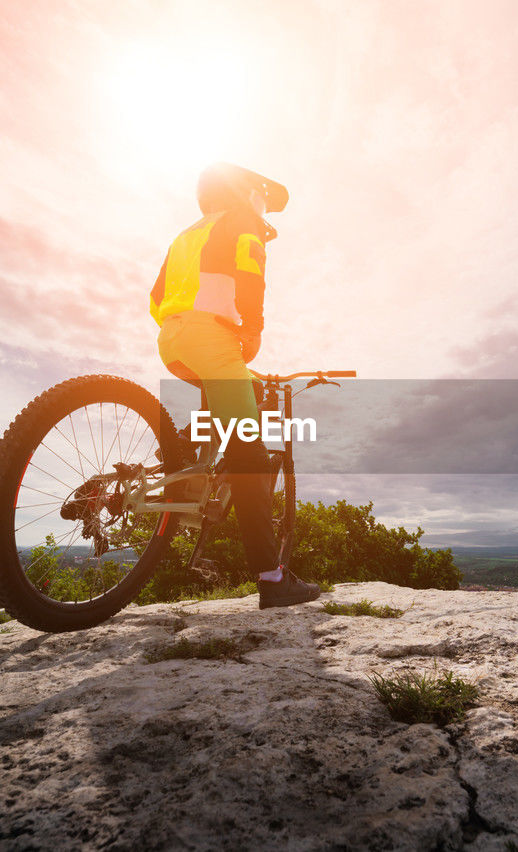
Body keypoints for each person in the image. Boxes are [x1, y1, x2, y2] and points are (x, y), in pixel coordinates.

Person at [149, 163, 322, 609]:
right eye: (260, 198)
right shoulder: (240, 221)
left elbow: (155, 298)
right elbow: (251, 270)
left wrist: (189, 327)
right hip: (213, 337)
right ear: (244, 194)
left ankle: (187, 457)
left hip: (171, 339)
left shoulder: (187, 235)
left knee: (223, 401)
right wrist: (253, 327)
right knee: (250, 453)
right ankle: (272, 577)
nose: (262, 207)